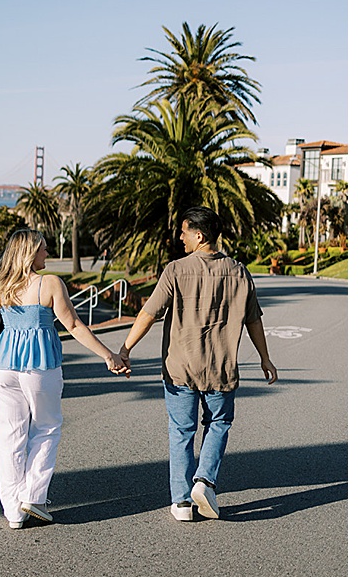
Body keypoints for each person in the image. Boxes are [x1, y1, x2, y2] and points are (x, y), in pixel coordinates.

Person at [118, 206, 277, 522]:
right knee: (218, 423)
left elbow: (149, 313)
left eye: (184, 231)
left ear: (199, 235)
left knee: (181, 431)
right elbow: (253, 320)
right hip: (221, 367)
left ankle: (181, 503)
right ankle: (204, 480)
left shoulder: (175, 270)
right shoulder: (239, 272)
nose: (180, 236)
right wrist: (264, 357)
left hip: (180, 367)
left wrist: (125, 348)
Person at [0, 229, 128, 529]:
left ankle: (13, 512)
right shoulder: (49, 284)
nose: (48, 254)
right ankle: (32, 495)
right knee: (46, 427)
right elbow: (72, 324)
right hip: (40, 365)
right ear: (31, 253)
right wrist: (108, 355)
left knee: (8, 436)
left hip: (3, 366)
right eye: (44, 249)